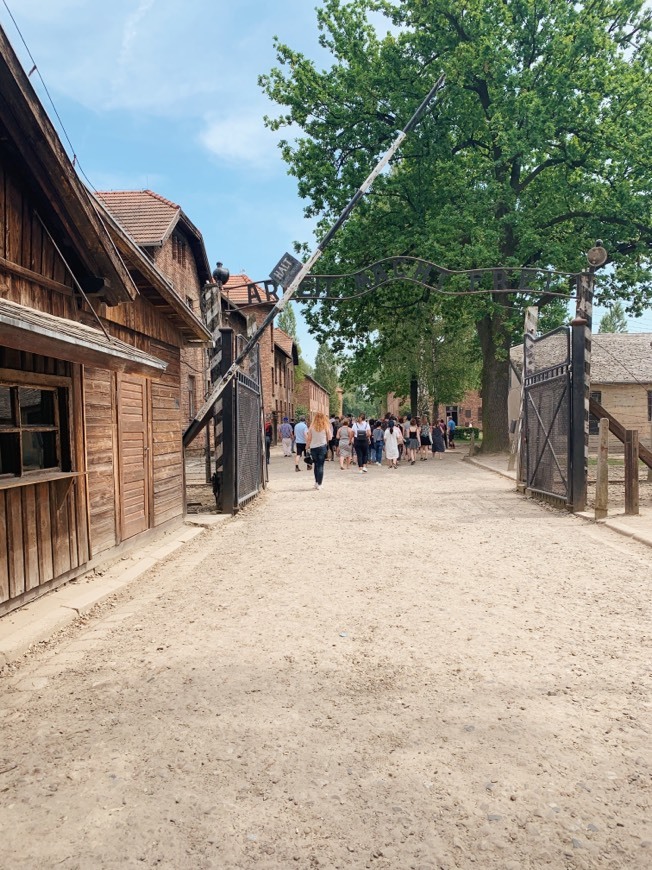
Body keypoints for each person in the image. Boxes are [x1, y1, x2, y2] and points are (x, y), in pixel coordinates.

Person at [305, 411, 331, 490]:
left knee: (316, 465)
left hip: (313, 448)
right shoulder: (326, 426)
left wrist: (307, 447)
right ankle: (320, 483)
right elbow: (330, 437)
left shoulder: (311, 427)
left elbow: (309, 439)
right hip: (322, 447)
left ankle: (316, 482)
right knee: (321, 466)